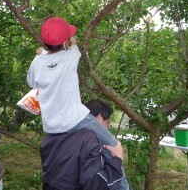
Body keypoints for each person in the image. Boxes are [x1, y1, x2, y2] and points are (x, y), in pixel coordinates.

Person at [27, 17, 129, 189]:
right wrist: (73, 42)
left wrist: (41, 56)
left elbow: (32, 83)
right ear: (65, 42)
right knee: (115, 148)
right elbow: (75, 48)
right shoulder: (71, 56)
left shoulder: (37, 63)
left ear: (44, 42)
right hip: (78, 120)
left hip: (52, 127)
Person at [41, 129, 125, 189]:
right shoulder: (88, 138)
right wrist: (118, 158)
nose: (107, 128)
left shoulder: (52, 135)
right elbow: (96, 185)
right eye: (108, 122)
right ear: (99, 118)